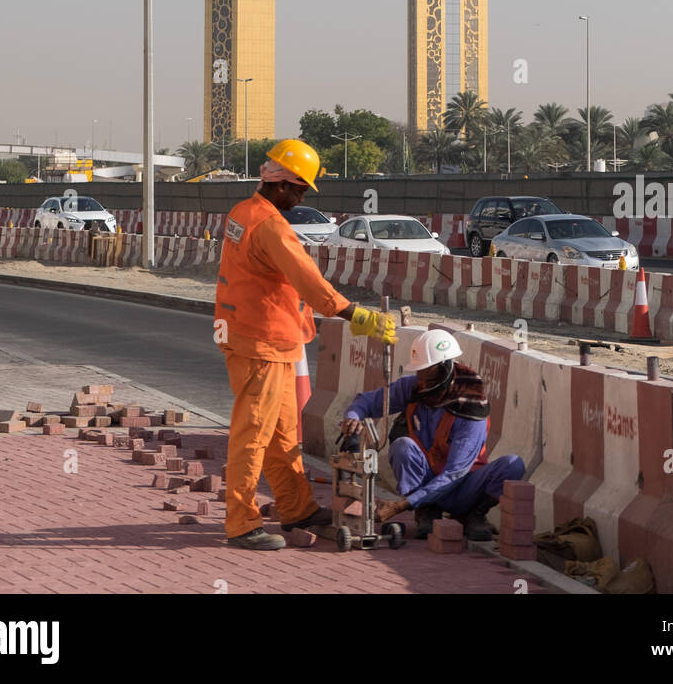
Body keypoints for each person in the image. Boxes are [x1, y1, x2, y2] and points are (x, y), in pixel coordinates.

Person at [215, 138, 395, 551]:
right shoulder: (272, 226)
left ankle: (296, 507)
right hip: (261, 342)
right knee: (253, 435)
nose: (301, 196)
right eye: (299, 189)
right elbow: (309, 281)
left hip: (250, 335)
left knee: (281, 435)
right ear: (281, 183)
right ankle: (241, 522)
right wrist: (356, 315)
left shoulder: (243, 212)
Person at [340, 329, 525, 541]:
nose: (421, 382)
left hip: (464, 486)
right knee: (402, 446)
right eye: (419, 374)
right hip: (427, 477)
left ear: (445, 370)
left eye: (427, 376)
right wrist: (353, 417)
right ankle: (427, 510)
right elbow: (369, 401)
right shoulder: (415, 387)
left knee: (512, 464)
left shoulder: (471, 407)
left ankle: (474, 514)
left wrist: (400, 506)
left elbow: (454, 474)